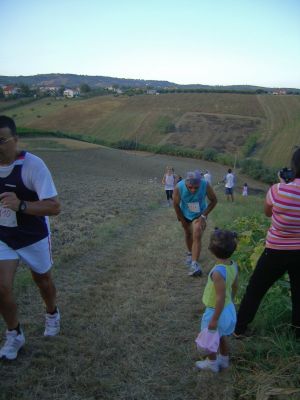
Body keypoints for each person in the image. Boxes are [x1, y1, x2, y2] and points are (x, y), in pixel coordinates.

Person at [0, 115, 61, 361]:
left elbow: (54, 207)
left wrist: (21, 205)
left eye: (2, 140)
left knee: (43, 281)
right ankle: (14, 334)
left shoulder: (33, 165)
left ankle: (52, 313)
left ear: (16, 140)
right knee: (1, 287)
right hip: (4, 236)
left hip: (33, 235)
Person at [234, 148, 300, 339]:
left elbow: (268, 213)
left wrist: (282, 185)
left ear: (294, 166)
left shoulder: (277, 190)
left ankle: (240, 329)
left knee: (255, 289)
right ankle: (296, 334)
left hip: (275, 250)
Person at [196, 229, 238, 372]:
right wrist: (231, 301)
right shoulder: (233, 265)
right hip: (227, 307)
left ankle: (212, 363)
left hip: (215, 310)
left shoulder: (218, 272)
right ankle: (224, 360)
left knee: (210, 339)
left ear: (211, 250)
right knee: (222, 336)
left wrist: (214, 319)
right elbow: (234, 287)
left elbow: (219, 298)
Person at [173, 170, 217, 276]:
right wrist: (183, 221)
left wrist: (203, 215)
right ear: (186, 183)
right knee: (188, 234)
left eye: (196, 188)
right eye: (190, 187)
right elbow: (176, 205)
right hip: (185, 213)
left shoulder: (205, 185)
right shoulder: (179, 187)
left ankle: (194, 265)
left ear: (200, 183)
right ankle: (190, 253)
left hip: (200, 213)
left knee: (197, 233)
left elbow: (214, 200)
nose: (193, 190)